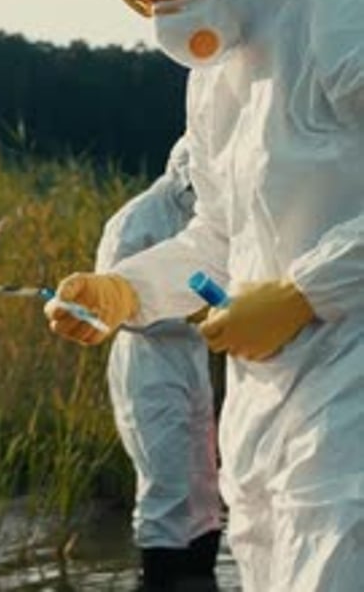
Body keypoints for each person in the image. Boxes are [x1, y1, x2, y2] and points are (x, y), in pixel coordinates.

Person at [45, 0, 364, 592]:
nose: (160, 11)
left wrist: (306, 292)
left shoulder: (337, 19)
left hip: (354, 385)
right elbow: (220, 239)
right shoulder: (214, 82)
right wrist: (126, 292)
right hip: (265, 406)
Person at [96, 133, 221, 591]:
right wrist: (190, 310)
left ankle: (202, 576)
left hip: (191, 356)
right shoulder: (135, 221)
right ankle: (161, 580)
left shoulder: (206, 224)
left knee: (204, 478)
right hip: (148, 364)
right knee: (165, 479)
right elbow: (118, 308)